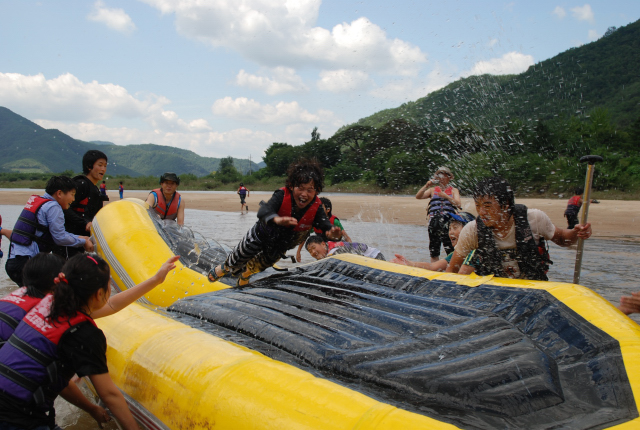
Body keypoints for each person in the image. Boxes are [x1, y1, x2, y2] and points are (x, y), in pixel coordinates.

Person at [0, 253, 178, 430]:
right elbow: (109, 395)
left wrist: (155, 280)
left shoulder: (51, 302)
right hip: (15, 417)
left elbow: (113, 305)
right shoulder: (84, 334)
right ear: (100, 293)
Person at [208, 158, 341, 286]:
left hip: (280, 246)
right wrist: (276, 219)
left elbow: (325, 225)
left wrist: (331, 232)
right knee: (240, 255)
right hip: (260, 235)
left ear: (316, 191)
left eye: (309, 190)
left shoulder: (317, 207)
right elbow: (263, 211)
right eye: (300, 188)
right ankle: (226, 267)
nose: (304, 194)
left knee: (261, 265)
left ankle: (246, 274)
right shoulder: (282, 195)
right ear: (291, 185)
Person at [447, 177, 592, 281]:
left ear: (506, 204)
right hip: (495, 293)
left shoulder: (534, 219)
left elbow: (563, 239)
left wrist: (576, 232)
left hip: (533, 289)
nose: (481, 212)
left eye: (487, 206)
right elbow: (452, 270)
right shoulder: (473, 230)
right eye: (477, 205)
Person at [5, 176, 94, 286]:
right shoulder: (53, 207)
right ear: (60, 194)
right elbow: (60, 238)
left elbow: (58, 233)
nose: (73, 199)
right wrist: (83, 241)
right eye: (72, 194)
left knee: (32, 296)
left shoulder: (39, 201)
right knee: (50, 292)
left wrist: (80, 238)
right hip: (26, 264)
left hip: (13, 261)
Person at [59, 150, 109, 259]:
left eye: (105, 166)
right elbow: (65, 208)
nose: (103, 169)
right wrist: (84, 223)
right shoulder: (81, 185)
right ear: (89, 167)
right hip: (70, 239)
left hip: (82, 240)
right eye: (100, 165)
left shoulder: (94, 189)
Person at [393, 212, 476, 272]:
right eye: (450, 228)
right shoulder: (457, 254)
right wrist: (408, 263)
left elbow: (461, 274)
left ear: (469, 230)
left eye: (455, 227)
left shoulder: (475, 252)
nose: (451, 232)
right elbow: (433, 266)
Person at [415, 167, 461, 262]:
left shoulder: (453, 190)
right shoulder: (432, 190)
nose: (442, 178)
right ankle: (435, 268)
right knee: (434, 250)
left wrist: (446, 196)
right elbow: (418, 196)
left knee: (450, 248)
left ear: (449, 177)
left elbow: (458, 204)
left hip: (448, 223)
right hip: (434, 222)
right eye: (439, 176)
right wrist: (426, 186)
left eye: (444, 176)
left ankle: (453, 269)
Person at [296, 197, 352, 262]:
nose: (317, 210)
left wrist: (351, 250)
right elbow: (304, 236)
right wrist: (298, 251)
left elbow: (346, 238)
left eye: (320, 208)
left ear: (328, 210)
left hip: (337, 248)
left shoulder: (334, 221)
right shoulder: (314, 222)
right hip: (322, 248)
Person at [305, 235, 385, 261]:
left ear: (323, 244)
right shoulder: (330, 248)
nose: (313, 252)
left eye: (313, 247)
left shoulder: (334, 252)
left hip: (375, 257)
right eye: (310, 251)